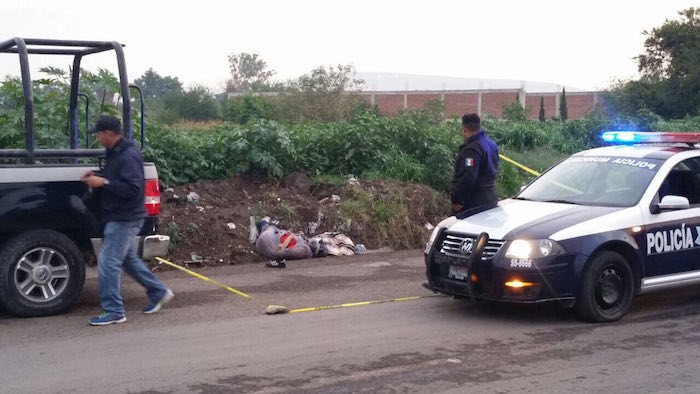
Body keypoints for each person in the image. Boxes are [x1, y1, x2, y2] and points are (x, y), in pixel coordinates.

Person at [82, 115, 173, 326]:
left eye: (98, 133)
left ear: (108, 133)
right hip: (119, 215)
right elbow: (116, 178)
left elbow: (132, 189)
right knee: (127, 260)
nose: (96, 137)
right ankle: (159, 292)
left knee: (107, 261)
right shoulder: (115, 153)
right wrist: (96, 175)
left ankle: (114, 310)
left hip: (125, 217)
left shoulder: (129, 155)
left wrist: (102, 181)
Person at [450, 113, 499, 215]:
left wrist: (457, 199)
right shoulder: (490, 143)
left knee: (465, 230)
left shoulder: (471, 150)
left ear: (464, 130)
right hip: (490, 198)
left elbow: (468, 176)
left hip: (474, 202)